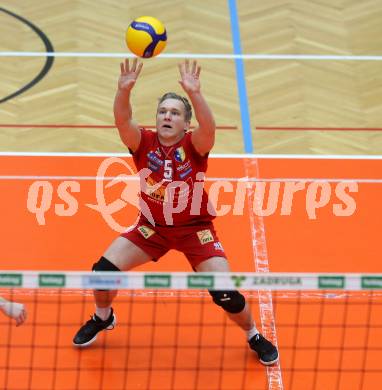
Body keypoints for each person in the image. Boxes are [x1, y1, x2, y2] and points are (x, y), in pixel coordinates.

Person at [72, 58, 278, 366]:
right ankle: (103, 317)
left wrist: (194, 93)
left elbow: (209, 127)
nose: (167, 116)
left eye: (174, 113)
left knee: (225, 293)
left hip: (195, 230)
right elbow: (122, 120)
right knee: (101, 273)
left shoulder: (195, 145)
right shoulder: (143, 142)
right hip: (151, 228)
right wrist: (123, 90)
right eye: (163, 111)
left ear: (185, 123)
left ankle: (253, 334)